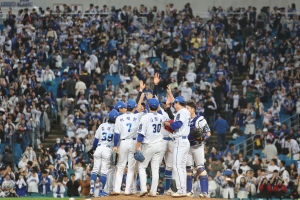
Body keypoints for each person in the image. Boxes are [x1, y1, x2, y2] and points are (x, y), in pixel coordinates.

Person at [111, 98, 144, 195]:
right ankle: (127, 190)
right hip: (133, 142)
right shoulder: (138, 116)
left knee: (120, 166)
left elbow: (116, 134)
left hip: (123, 143)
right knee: (131, 168)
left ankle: (117, 189)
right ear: (134, 107)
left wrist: (115, 146)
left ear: (126, 107)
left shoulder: (119, 118)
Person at [135, 98, 164, 197]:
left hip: (149, 145)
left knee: (142, 166)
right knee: (155, 169)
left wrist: (137, 147)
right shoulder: (161, 116)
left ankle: (143, 189)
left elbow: (141, 135)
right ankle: (153, 191)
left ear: (148, 106)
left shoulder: (145, 117)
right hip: (159, 144)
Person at [164, 94, 190, 197]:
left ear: (178, 103)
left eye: (175, 103)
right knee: (182, 167)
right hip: (184, 141)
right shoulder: (186, 112)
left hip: (180, 141)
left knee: (177, 166)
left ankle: (181, 190)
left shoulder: (181, 112)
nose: (174, 105)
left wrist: (168, 124)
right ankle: (183, 189)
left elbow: (177, 125)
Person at [90, 109, 119, 197]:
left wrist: (94, 149)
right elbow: (117, 140)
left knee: (95, 170)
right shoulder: (116, 127)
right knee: (104, 172)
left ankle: (92, 189)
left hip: (99, 147)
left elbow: (95, 140)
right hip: (107, 149)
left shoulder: (102, 125)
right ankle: (101, 191)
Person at [185, 102, 211, 197]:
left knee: (200, 168)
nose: (186, 110)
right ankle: (189, 191)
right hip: (187, 147)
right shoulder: (185, 119)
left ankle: (205, 192)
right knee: (188, 169)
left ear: (193, 109)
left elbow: (208, 132)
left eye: (188, 108)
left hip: (198, 146)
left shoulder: (200, 119)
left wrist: (204, 138)